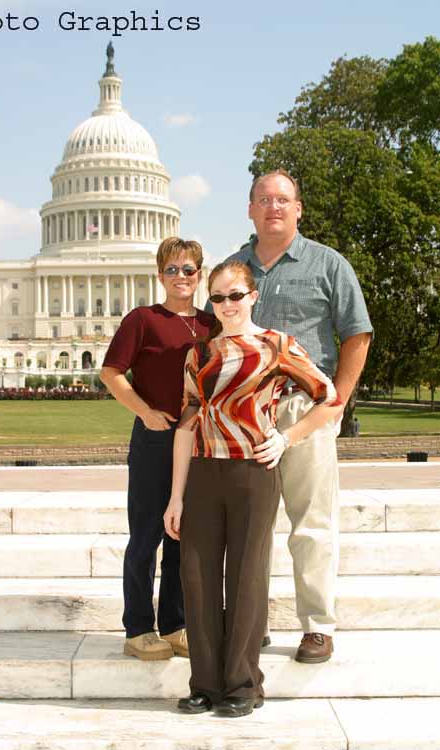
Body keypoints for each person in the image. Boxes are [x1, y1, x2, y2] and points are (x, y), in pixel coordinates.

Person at [164, 260, 341, 717]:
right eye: (218, 298)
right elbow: (186, 425)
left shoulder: (276, 345)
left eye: (235, 295)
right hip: (203, 471)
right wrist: (176, 496)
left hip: (253, 474)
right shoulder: (198, 353)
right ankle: (204, 684)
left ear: (252, 296)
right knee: (197, 580)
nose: (227, 305)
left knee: (246, 579)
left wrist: (287, 438)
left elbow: (328, 396)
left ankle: (244, 684)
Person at [225, 169, 372, 662]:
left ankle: (317, 625)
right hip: (244, 412)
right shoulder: (231, 271)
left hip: (305, 409)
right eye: (264, 199)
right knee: (250, 524)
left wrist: (337, 403)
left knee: (310, 521)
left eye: (283, 199)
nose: (274, 207)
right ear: (250, 209)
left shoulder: (329, 265)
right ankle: (251, 622)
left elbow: (357, 335)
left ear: (298, 208)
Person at [100, 237, 214, 661]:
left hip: (199, 439)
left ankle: (174, 623)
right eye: (172, 270)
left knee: (183, 535)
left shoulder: (211, 323)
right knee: (146, 535)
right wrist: (145, 411)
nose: (180, 277)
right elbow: (111, 373)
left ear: (199, 274)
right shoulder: (143, 320)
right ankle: (137, 627)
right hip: (155, 436)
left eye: (188, 270)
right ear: (159, 274)